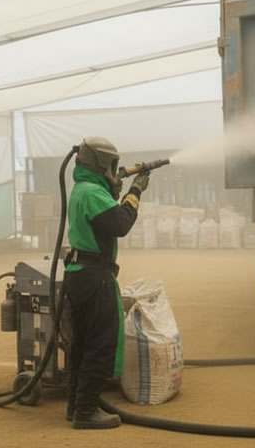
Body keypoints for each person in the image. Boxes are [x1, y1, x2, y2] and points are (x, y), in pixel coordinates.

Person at [63, 137, 150, 429]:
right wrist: (135, 191)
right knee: (100, 344)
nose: (115, 171)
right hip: (95, 278)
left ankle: (76, 406)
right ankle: (86, 412)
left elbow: (104, 218)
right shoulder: (91, 193)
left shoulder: (83, 190)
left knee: (82, 344)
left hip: (79, 275)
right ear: (101, 163)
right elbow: (120, 224)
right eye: (112, 165)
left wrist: (115, 192)